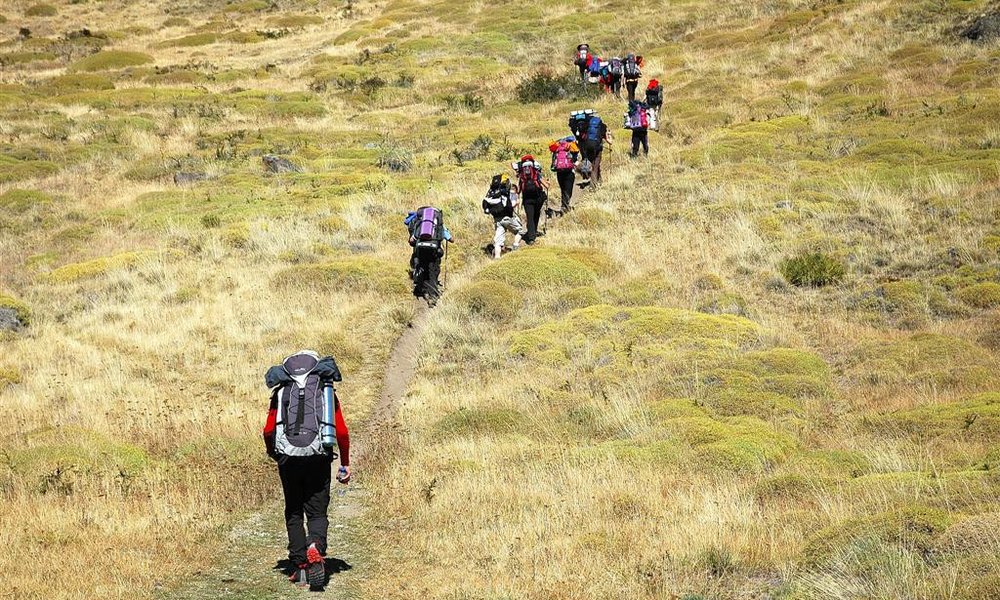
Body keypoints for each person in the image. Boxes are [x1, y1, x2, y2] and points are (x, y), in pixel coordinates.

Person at [263, 351, 351, 591]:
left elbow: (269, 430)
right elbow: (341, 431)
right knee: (317, 511)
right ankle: (315, 547)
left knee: (293, 510)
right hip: (318, 456)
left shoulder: (282, 390)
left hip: (288, 458)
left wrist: (275, 454)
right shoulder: (325, 388)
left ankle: (300, 566)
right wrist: (344, 462)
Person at [404, 207, 454, 305]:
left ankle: (422, 290)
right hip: (434, 250)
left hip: (421, 248)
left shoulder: (420, 224)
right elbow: (451, 239)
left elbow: (411, 240)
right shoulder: (438, 225)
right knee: (433, 270)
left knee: (422, 267)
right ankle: (432, 297)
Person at [482, 173, 525, 259]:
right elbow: (508, 206)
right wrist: (516, 203)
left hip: (497, 220)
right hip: (507, 217)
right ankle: (515, 246)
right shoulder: (504, 193)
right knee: (520, 231)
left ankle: (497, 258)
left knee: (498, 241)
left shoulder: (491, 193)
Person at [512, 155, 548, 244]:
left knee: (530, 217)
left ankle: (531, 238)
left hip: (527, 199)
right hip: (538, 197)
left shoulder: (522, 175)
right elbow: (546, 186)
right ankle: (533, 232)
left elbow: (519, 190)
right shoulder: (536, 173)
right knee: (536, 214)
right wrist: (548, 183)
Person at [579, 111, 612, 185]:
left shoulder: (586, 124)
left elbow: (582, 136)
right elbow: (609, 142)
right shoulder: (602, 126)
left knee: (592, 163)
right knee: (595, 165)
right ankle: (593, 185)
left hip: (587, 147)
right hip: (597, 148)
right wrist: (609, 135)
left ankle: (599, 180)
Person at [549, 136, 579, 213]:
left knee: (563, 189)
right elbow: (575, 159)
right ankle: (565, 206)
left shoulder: (557, 148)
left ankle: (564, 205)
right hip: (569, 171)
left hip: (559, 171)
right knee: (568, 189)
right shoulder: (572, 147)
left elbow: (554, 159)